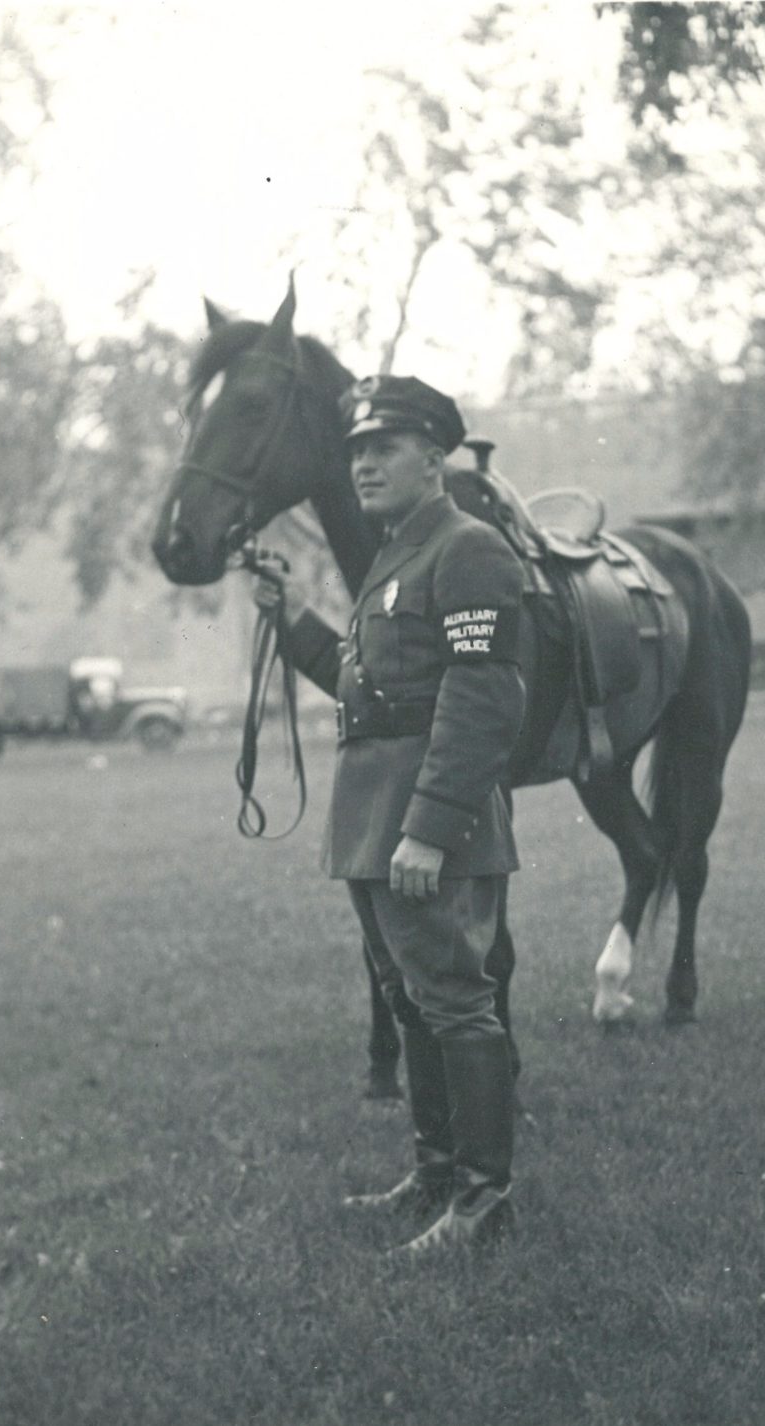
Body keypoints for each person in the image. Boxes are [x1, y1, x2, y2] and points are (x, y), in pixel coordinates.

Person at [253, 374, 527, 1255]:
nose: (364, 464)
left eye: (385, 449)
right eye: (356, 451)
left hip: (423, 824)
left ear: (435, 461)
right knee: (412, 1004)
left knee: (454, 1004)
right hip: (373, 824)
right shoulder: (394, 557)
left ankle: (483, 1204)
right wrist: (295, 621)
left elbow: (483, 694)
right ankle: (439, 1174)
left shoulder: (469, 549)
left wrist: (431, 825)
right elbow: (364, 688)